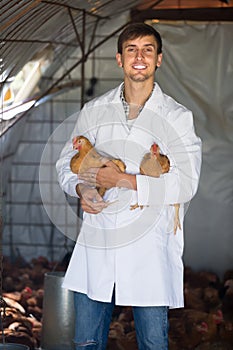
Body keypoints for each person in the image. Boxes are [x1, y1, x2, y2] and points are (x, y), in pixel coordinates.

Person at [56, 23, 202, 350]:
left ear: (159, 59)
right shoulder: (95, 111)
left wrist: (122, 180)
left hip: (148, 247)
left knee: (152, 343)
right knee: (86, 343)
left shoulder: (177, 117)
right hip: (100, 239)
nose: (140, 56)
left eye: (148, 50)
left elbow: (186, 182)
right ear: (119, 59)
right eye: (131, 50)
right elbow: (65, 163)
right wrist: (83, 190)